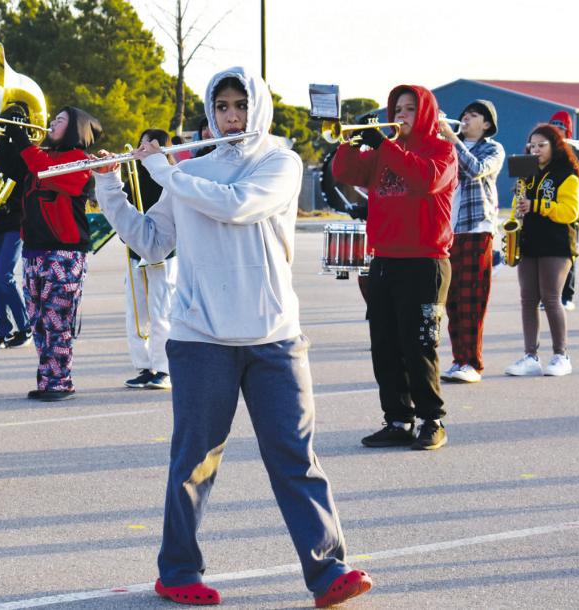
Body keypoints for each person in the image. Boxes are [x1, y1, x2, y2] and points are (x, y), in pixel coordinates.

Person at [92, 67, 372, 608]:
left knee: (295, 457)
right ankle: (178, 572)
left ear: (258, 107)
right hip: (200, 339)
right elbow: (151, 242)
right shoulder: (190, 169)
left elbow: (238, 204)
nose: (231, 116)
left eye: (241, 105)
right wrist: (110, 185)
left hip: (275, 338)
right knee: (193, 460)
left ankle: (328, 571)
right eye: (221, 107)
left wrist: (166, 171)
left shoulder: (280, 162)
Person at [332, 85, 456, 451]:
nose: (400, 116)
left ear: (426, 114)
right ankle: (398, 419)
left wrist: (385, 144)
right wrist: (353, 139)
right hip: (385, 258)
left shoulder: (442, 150)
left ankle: (431, 420)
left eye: (409, 109)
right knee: (384, 344)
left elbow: (426, 180)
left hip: (426, 261)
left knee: (419, 346)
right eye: (397, 109)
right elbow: (345, 171)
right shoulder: (384, 152)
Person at [0, 104, 102, 401]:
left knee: (58, 320)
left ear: (75, 129)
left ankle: (60, 382)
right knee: (39, 322)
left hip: (65, 255)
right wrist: (9, 132)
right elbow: (9, 165)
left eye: (60, 120)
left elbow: (41, 168)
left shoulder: (78, 161)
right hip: (34, 252)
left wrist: (21, 137)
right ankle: (48, 379)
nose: (52, 123)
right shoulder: (41, 156)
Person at [503, 124, 579, 377]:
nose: (535, 149)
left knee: (551, 299)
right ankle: (530, 356)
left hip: (557, 244)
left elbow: (569, 212)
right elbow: (520, 204)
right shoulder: (527, 174)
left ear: (556, 146)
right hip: (529, 242)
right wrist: (518, 208)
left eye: (542, 145)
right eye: (532, 145)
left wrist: (536, 205)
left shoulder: (568, 176)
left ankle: (561, 356)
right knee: (528, 300)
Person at [437, 100, 504, 384]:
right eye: (463, 113)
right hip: (448, 231)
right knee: (451, 300)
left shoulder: (493, 148)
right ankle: (458, 359)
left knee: (471, 298)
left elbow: (475, 169)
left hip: (476, 228)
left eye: (473, 115)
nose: (464, 118)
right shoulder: (447, 146)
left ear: (486, 124)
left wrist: (451, 139)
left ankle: (472, 363)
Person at [121, 128, 178, 391]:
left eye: (148, 144)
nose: (142, 147)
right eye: (141, 143)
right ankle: (143, 366)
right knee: (136, 313)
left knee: (161, 312)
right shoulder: (134, 173)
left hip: (165, 256)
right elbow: (126, 213)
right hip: (135, 252)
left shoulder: (169, 177)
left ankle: (164, 369)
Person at [0, 117, 33, 350]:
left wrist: (4, 142)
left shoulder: (16, 156)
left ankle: (25, 327)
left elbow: (20, 179)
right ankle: (4, 331)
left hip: (16, 222)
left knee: (5, 276)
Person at [547, 111, 579, 312]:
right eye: (553, 124)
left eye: (560, 125)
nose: (557, 128)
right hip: (545, 211)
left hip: (567, 209)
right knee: (545, 255)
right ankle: (548, 295)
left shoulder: (575, 151)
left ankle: (566, 295)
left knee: (567, 254)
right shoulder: (543, 149)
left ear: (567, 129)